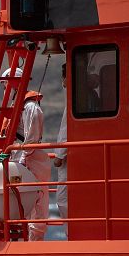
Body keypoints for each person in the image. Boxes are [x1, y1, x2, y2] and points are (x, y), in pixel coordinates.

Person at [3, 67, 50, 241]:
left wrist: (23, 158)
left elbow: (32, 137)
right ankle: (23, 238)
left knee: (37, 201)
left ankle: (34, 242)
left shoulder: (30, 107)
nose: (5, 88)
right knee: (21, 199)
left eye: (7, 83)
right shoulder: (18, 105)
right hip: (19, 158)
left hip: (32, 160)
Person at [55, 63, 68, 220]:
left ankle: (70, 232)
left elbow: (66, 128)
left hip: (67, 159)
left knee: (63, 199)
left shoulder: (73, 103)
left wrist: (59, 155)